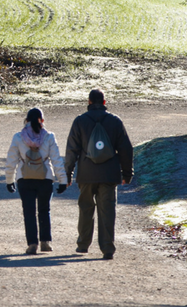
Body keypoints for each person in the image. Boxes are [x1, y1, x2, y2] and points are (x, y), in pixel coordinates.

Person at [64, 89, 133, 260]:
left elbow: (72, 150)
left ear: (88, 102)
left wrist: (68, 173)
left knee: (86, 208)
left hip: (86, 174)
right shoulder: (115, 121)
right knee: (107, 211)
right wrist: (127, 173)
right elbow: (125, 149)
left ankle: (83, 244)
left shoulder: (79, 121)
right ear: (104, 102)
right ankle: (107, 247)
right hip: (108, 174)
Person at [5, 107, 68, 255]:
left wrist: (9, 180)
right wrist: (62, 180)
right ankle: (45, 242)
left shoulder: (18, 137)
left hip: (24, 178)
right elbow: (56, 160)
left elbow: (11, 160)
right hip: (45, 178)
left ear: (26, 121)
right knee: (44, 210)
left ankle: (32, 243)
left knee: (29, 212)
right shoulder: (49, 136)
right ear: (42, 121)